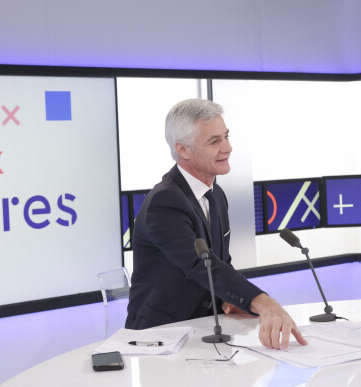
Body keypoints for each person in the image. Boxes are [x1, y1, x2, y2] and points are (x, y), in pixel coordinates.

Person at [125, 98, 307, 350]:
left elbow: (219, 262)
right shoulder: (164, 201)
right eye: (214, 141)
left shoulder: (216, 194)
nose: (228, 148)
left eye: (226, 137)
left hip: (207, 331)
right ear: (183, 149)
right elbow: (199, 264)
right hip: (160, 338)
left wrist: (229, 299)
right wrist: (262, 302)